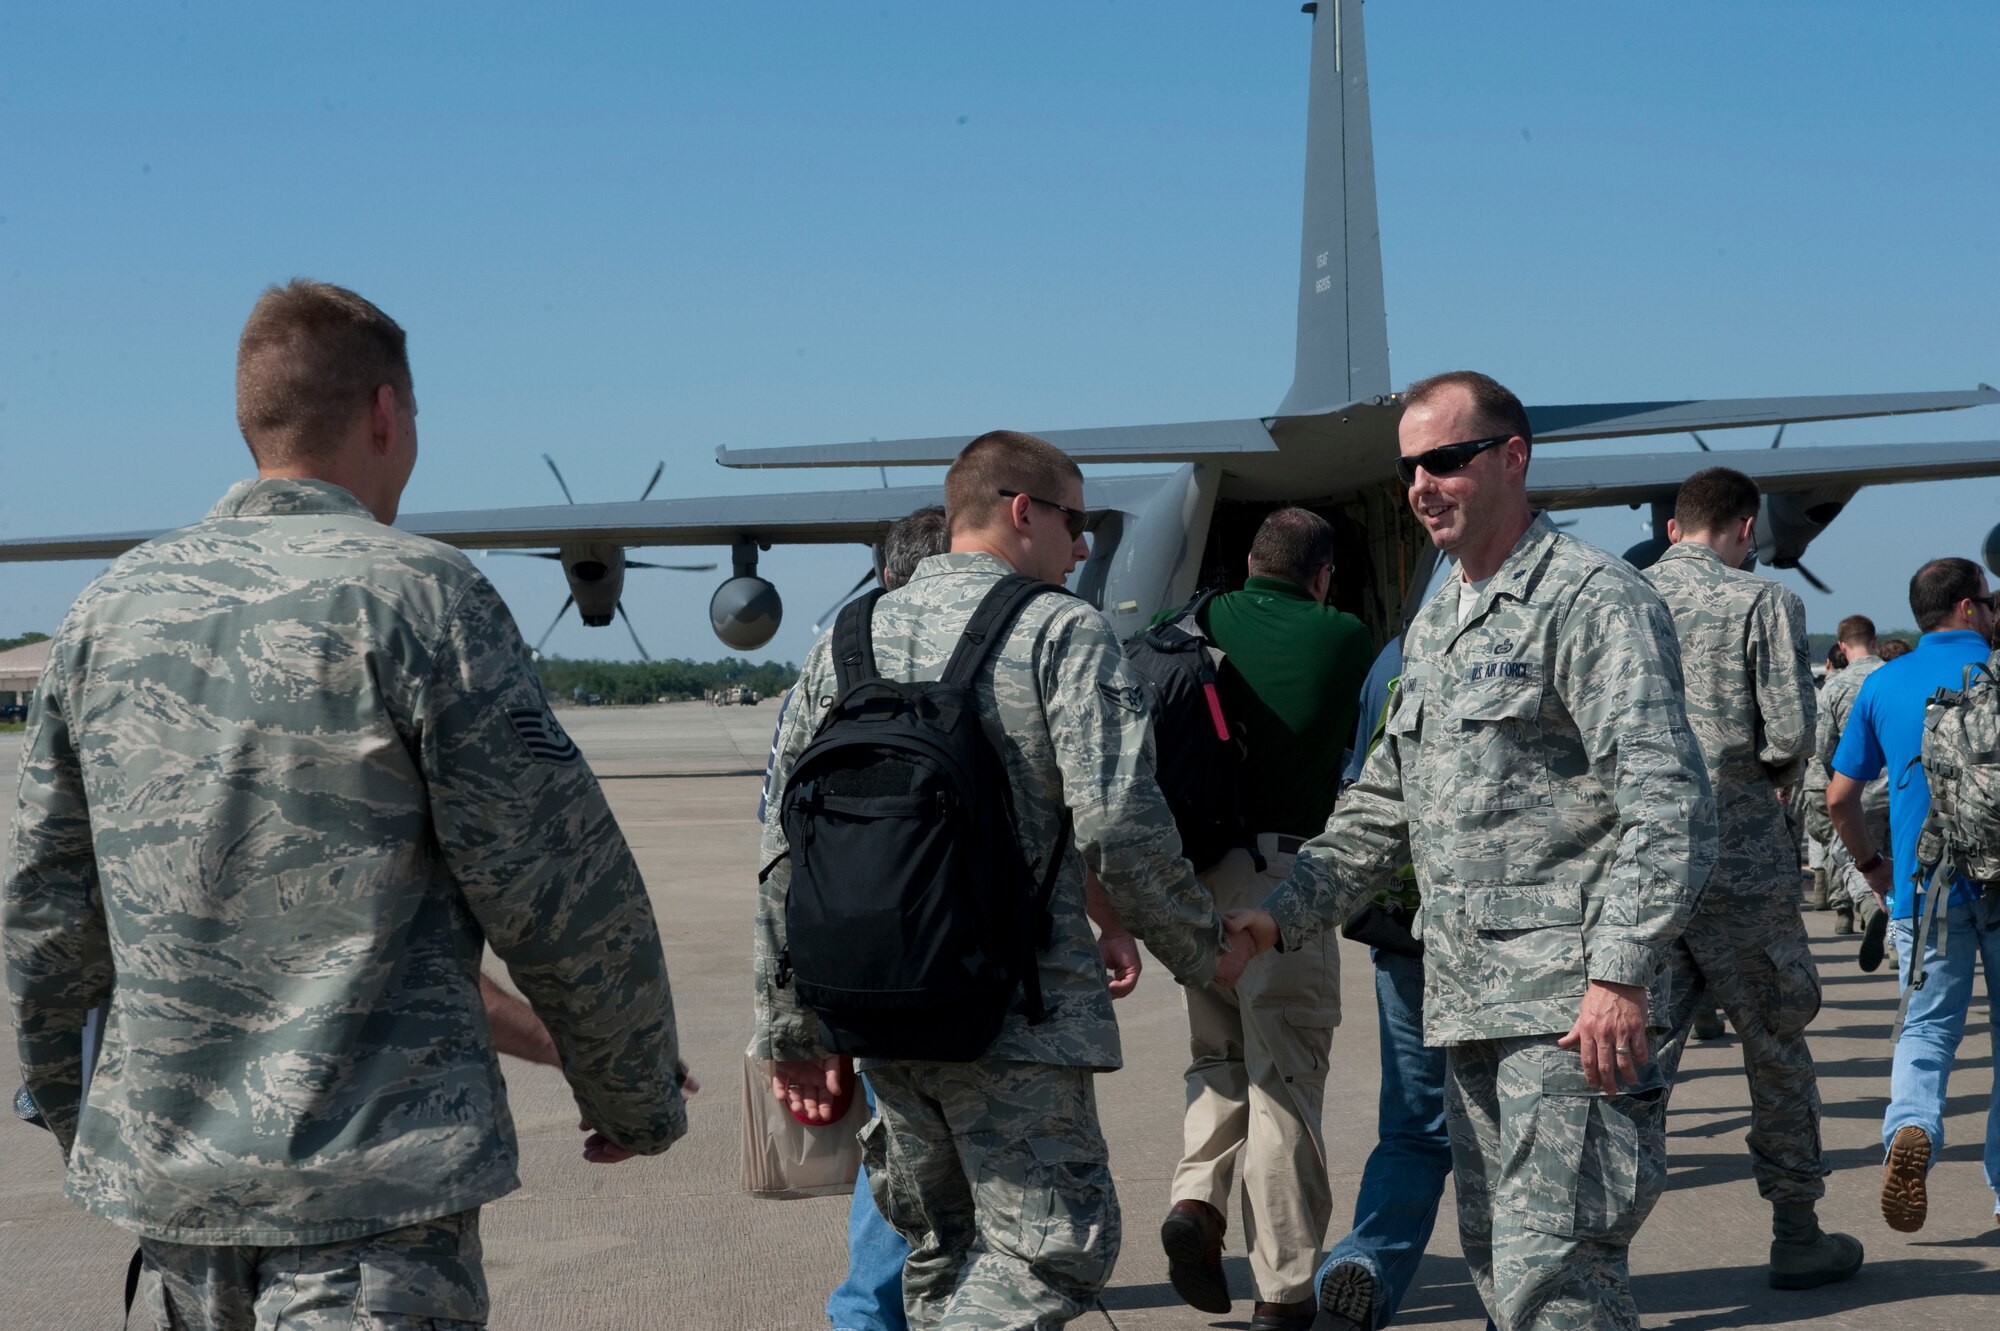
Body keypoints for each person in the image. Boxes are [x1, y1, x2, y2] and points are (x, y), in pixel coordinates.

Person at [2, 280, 688, 1328]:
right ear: (383, 413)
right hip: (373, 1210)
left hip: (177, 1203)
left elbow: (47, 909)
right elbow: (558, 887)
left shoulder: (106, 610)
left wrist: (77, 1111)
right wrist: (630, 1091)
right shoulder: (423, 597)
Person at [1224, 370, 1717, 1331]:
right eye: (1411, 466)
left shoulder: (1591, 600)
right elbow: (1381, 804)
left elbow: (1668, 801)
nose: (1421, 484)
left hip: (1571, 1017)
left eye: (1445, 460)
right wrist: (1279, 913)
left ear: (1512, 459)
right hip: (1471, 1009)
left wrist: (1618, 975)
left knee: (1557, 1283)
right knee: (1503, 1274)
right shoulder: (1441, 621)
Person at [754, 430, 1244, 1328]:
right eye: (1077, 519)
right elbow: (1122, 829)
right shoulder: (1062, 629)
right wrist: (1205, 952)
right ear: (1024, 511)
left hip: (877, 1008)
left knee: (944, 1249)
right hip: (1014, 1016)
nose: (1086, 544)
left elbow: (782, 843)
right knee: (1054, 1250)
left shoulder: (847, 636)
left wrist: (790, 1027)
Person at [1643, 466, 1862, 1289]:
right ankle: (1797, 1231)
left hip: (1645, 861)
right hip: (1741, 855)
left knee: (1633, 1058)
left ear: (1671, 528)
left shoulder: (1620, 597)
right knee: (1774, 1043)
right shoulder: (1763, 601)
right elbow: (1788, 732)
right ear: (1744, 529)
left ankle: (1595, 1242)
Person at [1160, 507, 1373, 1331]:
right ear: (1321, 575)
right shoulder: (1344, 634)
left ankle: (1197, 1204)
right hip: (1285, 882)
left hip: (1196, 876)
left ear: (1250, 561)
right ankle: (1282, 1292)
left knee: (1216, 1055)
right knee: (1282, 1078)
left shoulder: (1198, 620)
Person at [1828, 557, 2000, 1233]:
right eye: (1988, 602)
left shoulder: (1882, 684)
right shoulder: (1994, 673)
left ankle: (1912, 1124)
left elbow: (1841, 797)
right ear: (1965, 608)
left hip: (1925, 888)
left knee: (1927, 1030)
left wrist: (1873, 865)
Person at [1313, 635, 1458, 1331]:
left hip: (1404, 929)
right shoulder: (1557, 621)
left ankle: (1364, 1258)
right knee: (1521, 1132)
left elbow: (1360, 782)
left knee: (1413, 1131)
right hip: (1521, 939)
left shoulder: (1392, 657)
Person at [1801, 616, 1889, 948]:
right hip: (1898, 789)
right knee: (1903, 866)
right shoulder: (1893, 676)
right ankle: (1899, 942)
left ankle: (1868, 905)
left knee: (1856, 858)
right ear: (1875, 640)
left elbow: (1822, 749)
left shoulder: (1835, 687)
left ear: (1841, 646)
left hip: (1857, 793)